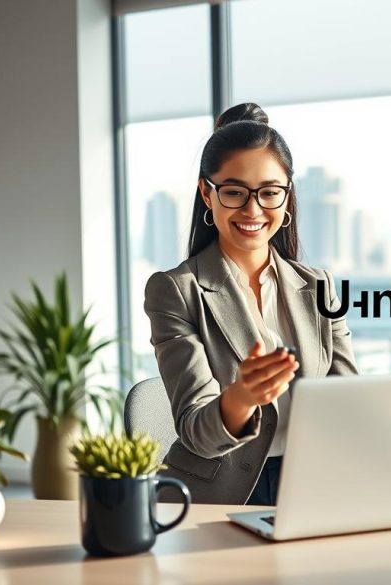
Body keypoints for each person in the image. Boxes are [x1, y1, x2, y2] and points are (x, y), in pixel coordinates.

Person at [144, 102, 358, 505]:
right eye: (234, 192)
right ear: (207, 193)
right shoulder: (175, 290)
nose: (253, 209)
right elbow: (197, 435)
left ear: (287, 194)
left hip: (310, 484)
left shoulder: (319, 287)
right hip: (218, 495)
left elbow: (347, 403)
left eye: (269, 193)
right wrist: (242, 396)